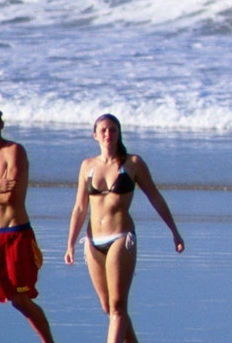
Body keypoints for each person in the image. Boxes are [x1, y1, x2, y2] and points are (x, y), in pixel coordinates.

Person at [66, 113, 185, 343]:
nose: (108, 134)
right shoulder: (87, 166)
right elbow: (80, 207)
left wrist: (174, 231)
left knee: (118, 306)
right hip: (93, 242)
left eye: (113, 129)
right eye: (103, 130)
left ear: (119, 133)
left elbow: (155, 197)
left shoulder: (133, 164)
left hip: (121, 237)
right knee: (107, 307)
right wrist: (70, 243)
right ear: (95, 135)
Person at [0, 104, 56, 343]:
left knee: (20, 300)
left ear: (1, 124)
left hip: (17, 234)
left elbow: (11, 196)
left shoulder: (14, 151)